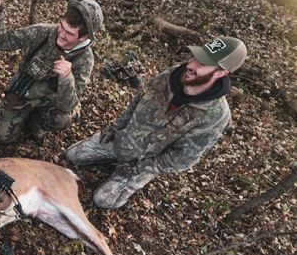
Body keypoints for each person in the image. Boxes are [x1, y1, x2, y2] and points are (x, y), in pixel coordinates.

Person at [63, 36, 245, 209]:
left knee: (103, 200)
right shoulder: (171, 75)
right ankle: (113, 155)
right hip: (122, 140)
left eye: (202, 64)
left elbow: (183, 159)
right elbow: (137, 101)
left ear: (221, 72)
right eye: (194, 57)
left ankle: (128, 176)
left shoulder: (215, 116)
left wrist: (139, 168)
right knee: (72, 155)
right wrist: (115, 128)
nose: (190, 64)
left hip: (144, 163)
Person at [0, 0, 103, 144]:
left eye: (69, 33)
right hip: (24, 92)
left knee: (63, 118)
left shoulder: (85, 60)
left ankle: (36, 125)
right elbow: (1, 42)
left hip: (51, 101)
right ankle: (22, 115)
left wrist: (67, 78)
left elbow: (67, 105)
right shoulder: (42, 32)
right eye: (62, 26)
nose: (61, 34)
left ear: (83, 37)